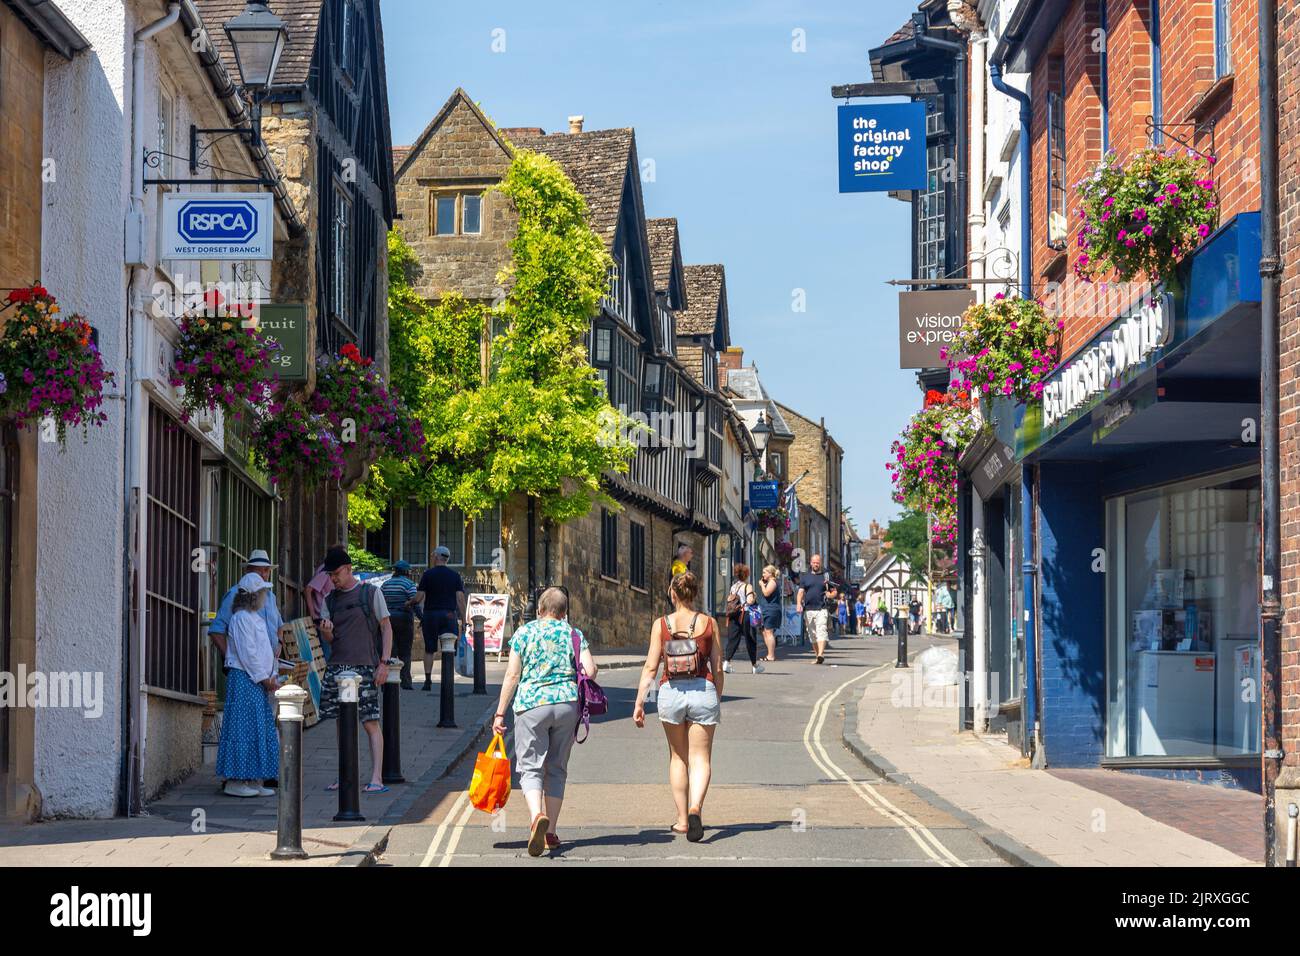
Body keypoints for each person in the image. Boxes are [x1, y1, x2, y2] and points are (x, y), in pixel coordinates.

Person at [492, 587, 597, 857]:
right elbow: (591, 669)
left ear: (539, 610)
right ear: (564, 613)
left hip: (531, 706)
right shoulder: (573, 634)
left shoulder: (524, 633)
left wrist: (500, 712)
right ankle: (550, 832)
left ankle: (537, 816)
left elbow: (512, 675)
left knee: (530, 768)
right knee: (557, 768)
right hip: (566, 705)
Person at [633, 570, 723, 843]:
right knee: (701, 759)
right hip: (702, 690)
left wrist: (639, 702)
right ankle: (696, 808)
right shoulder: (709, 623)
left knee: (678, 758)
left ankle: (683, 820)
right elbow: (717, 667)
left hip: (671, 692)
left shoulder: (661, 624)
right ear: (695, 593)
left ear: (673, 594)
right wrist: (715, 696)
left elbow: (650, 667)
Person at [318, 546, 393, 794]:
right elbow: (330, 639)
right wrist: (326, 630)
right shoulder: (329, 600)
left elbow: (386, 627)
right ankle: (346, 775)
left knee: (370, 722)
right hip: (337, 667)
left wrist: (384, 663)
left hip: (365, 666)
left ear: (349, 569)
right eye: (329, 575)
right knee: (341, 723)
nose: (332, 579)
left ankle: (376, 778)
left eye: (336, 573)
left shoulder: (370, 593)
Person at [216, 573, 281, 798]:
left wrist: (270, 675)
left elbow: (262, 652)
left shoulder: (253, 617)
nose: (265, 595)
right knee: (243, 729)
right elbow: (248, 653)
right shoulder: (241, 618)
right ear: (253, 596)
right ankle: (236, 780)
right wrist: (265, 678)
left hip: (255, 680)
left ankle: (253, 778)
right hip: (246, 678)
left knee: (257, 728)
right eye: (262, 592)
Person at [208, 549, 287, 663]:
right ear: (248, 571)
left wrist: (279, 642)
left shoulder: (270, 596)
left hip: (268, 666)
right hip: (246, 668)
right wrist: (231, 661)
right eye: (258, 571)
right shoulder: (235, 594)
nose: (263, 575)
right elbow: (216, 630)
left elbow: (280, 625)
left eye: (266, 570)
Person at [408, 545, 466, 691]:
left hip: (431, 614)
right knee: (449, 648)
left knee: (429, 649)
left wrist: (409, 602)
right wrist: (464, 620)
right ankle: (447, 680)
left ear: (438, 557)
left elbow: (419, 597)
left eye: (433, 554)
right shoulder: (455, 576)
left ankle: (427, 681)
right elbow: (460, 599)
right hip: (449, 614)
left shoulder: (428, 574)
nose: (432, 557)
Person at [381, 560, 419, 689]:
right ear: (406, 572)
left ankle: (387, 681)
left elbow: (380, 603)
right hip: (404, 618)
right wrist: (422, 619)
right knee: (405, 651)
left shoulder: (385, 585)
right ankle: (406, 682)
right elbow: (415, 602)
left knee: (390, 650)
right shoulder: (409, 584)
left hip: (388, 619)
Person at [722, 563, 762, 674]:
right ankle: (754, 665)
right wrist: (753, 595)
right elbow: (749, 601)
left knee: (733, 639)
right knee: (750, 640)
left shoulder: (733, 587)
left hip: (733, 615)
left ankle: (727, 662)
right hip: (745, 615)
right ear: (746, 575)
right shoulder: (747, 586)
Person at [796, 554, 835, 664]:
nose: (816, 564)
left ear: (820, 563)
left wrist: (830, 595)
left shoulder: (826, 576)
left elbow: (834, 591)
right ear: (811, 563)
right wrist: (799, 603)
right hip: (808, 609)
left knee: (821, 630)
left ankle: (821, 654)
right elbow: (800, 592)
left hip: (822, 608)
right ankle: (818, 656)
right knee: (812, 634)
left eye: (817, 562)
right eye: (814, 562)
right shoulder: (805, 577)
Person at [757, 565, 781, 662]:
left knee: (769, 631)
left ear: (770, 574)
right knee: (764, 631)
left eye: (764, 573)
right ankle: (769, 653)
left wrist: (762, 585)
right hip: (766, 609)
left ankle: (771, 655)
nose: (763, 575)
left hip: (771, 610)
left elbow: (767, 593)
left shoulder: (772, 582)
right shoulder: (769, 582)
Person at [668, 541, 693, 609]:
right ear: (685, 554)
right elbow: (680, 582)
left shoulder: (682, 566)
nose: (692, 555)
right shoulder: (677, 565)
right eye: (690, 553)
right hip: (679, 600)